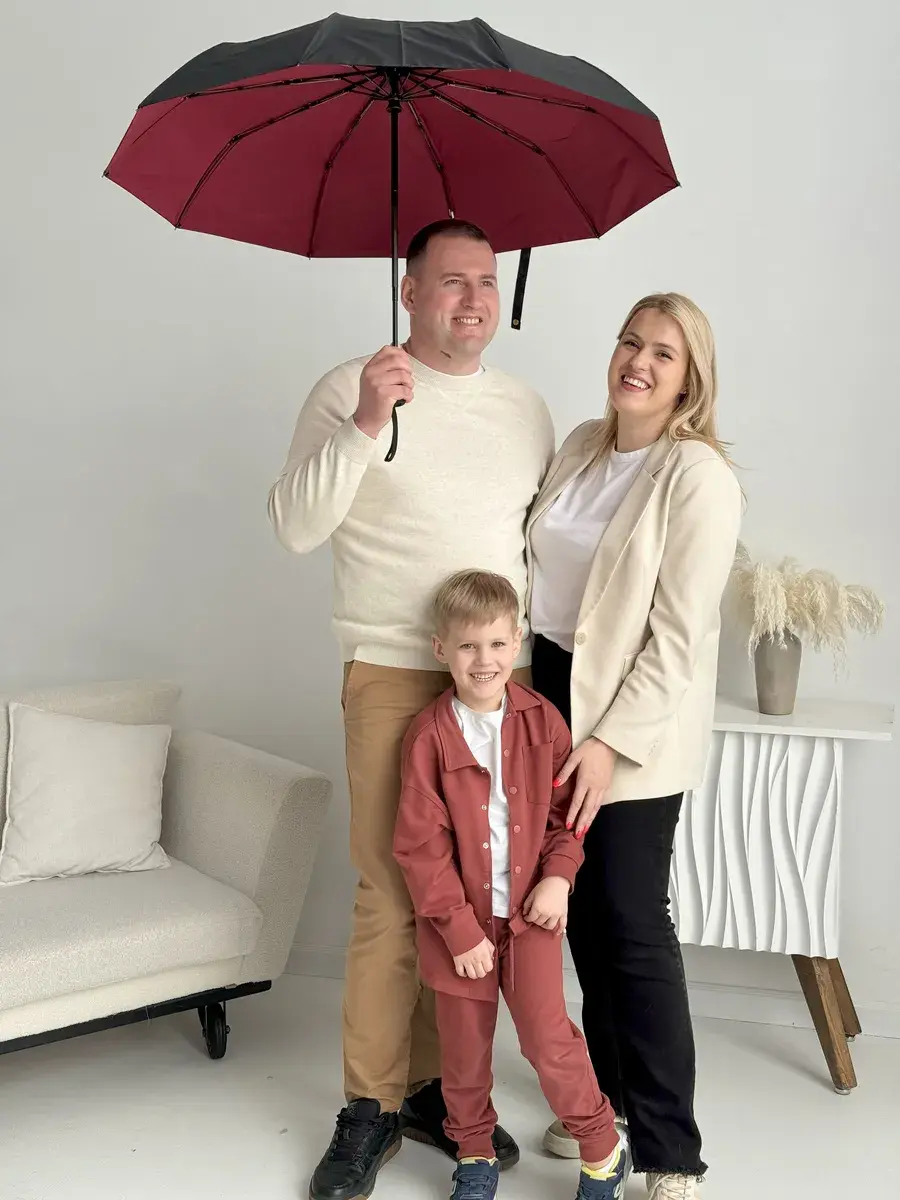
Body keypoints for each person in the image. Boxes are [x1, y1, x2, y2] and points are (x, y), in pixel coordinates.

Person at [267, 219, 554, 1200]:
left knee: (474, 894)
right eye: (450, 282)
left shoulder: (526, 409)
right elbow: (293, 526)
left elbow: (534, 547)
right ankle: (369, 1105)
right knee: (393, 893)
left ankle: (438, 1093)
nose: (471, 300)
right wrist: (363, 422)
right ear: (409, 290)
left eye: (485, 282)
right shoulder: (353, 387)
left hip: (497, 681)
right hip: (393, 668)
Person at [525, 293, 742, 1200]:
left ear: (690, 379)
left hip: (632, 716)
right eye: (629, 342)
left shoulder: (698, 476)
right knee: (577, 911)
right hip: (545, 697)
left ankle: (671, 1152)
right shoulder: (582, 444)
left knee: (631, 919)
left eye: (663, 353)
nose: (639, 363)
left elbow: (679, 638)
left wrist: (610, 741)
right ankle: (604, 1104)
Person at [393, 569, 628, 1200]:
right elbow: (420, 848)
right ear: (441, 649)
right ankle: (474, 1154)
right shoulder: (429, 736)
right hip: (459, 930)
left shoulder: (542, 721)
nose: (484, 660)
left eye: (497, 644)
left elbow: (566, 819)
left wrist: (559, 878)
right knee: (464, 1053)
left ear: (518, 642)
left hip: (532, 918)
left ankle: (602, 1148)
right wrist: (459, 931)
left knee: (548, 1039)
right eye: (468, 646)